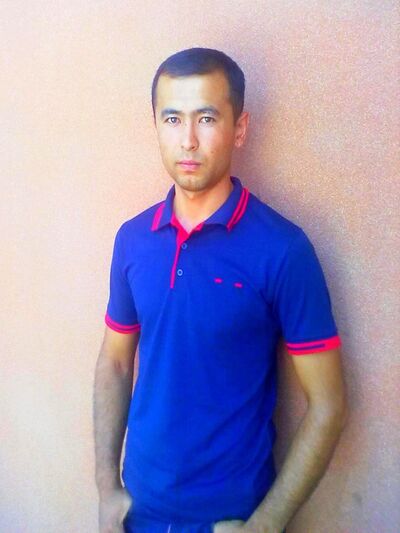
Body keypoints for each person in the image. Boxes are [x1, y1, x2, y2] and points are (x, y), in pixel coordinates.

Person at [93, 47, 347, 533]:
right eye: (172, 119)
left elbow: (329, 406)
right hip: (138, 511)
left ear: (239, 128)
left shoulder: (283, 250)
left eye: (206, 118)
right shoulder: (132, 240)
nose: (188, 140)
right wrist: (108, 490)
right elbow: (116, 362)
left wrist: (266, 524)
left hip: (231, 518)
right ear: (156, 127)